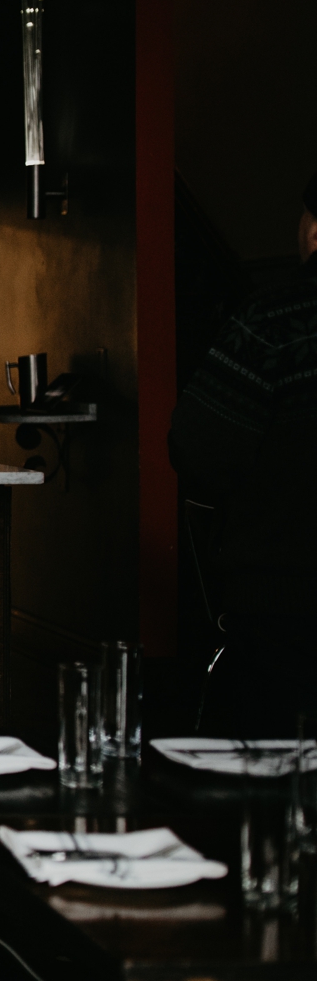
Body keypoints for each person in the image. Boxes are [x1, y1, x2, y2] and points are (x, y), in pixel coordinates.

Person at [170, 170, 317, 733]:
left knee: (269, 775)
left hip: (285, 603)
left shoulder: (276, 324)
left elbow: (197, 449)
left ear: (313, 231)